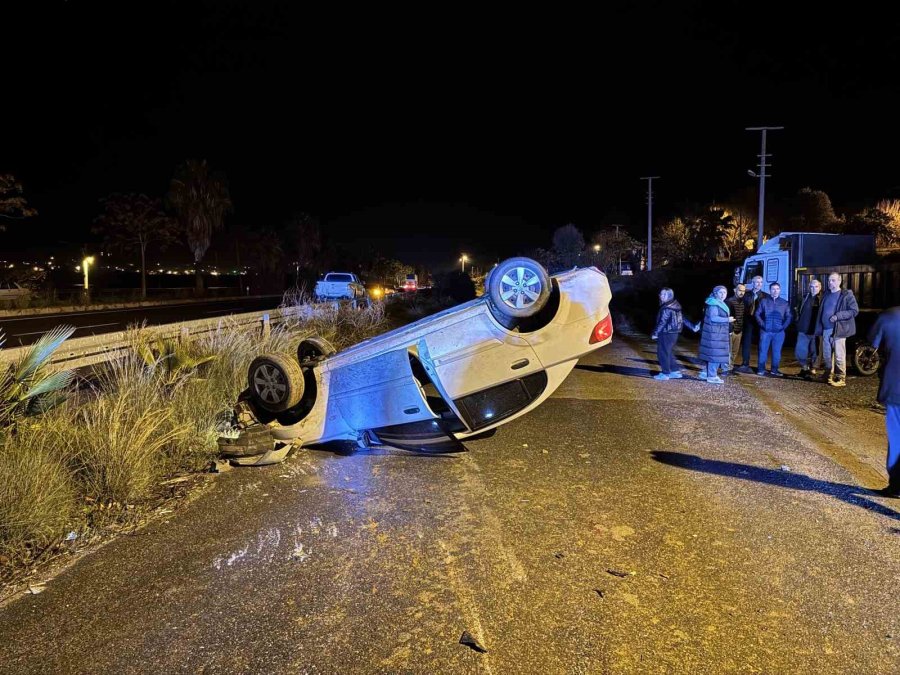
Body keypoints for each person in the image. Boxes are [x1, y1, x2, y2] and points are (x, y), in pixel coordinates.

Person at [868, 307, 900, 497]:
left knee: (897, 438)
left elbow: (873, 343)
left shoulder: (889, 317)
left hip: (896, 388)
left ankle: (897, 486)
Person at [814, 272, 859, 387]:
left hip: (839, 330)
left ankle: (840, 378)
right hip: (826, 330)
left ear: (839, 281)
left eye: (833, 280)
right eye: (829, 280)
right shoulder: (826, 295)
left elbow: (854, 311)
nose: (830, 282)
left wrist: (838, 316)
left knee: (839, 355)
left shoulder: (846, 295)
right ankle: (828, 374)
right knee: (827, 355)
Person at [650, 287, 698, 380]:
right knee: (668, 352)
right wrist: (692, 327)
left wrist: (655, 333)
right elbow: (682, 319)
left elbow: (662, 322)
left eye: (664, 294)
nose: (661, 296)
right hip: (673, 333)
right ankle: (675, 371)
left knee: (662, 353)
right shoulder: (675, 305)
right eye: (661, 294)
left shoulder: (667, 307)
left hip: (666, 332)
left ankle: (665, 373)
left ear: (670, 295)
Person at [698, 285, 734, 384]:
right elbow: (713, 318)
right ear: (715, 293)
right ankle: (712, 376)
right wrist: (727, 319)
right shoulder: (713, 304)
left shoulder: (718, 302)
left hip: (717, 333)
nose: (723, 295)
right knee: (715, 355)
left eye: (725, 293)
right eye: (720, 292)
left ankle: (706, 373)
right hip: (715, 334)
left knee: (713, 355)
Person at [754, 281, 792, 377]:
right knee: (763, 350)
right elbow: (757, 314)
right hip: (765, 331)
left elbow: (789, 316)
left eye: (777, 289)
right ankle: (761, 369)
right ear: (770, 290)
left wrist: (783, 327)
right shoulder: (764, 301)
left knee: (777, 352)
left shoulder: (784, 303)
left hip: (779, 332)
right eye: (773, 289)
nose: (775, 291)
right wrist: (763, 325)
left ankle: (774, 370)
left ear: (780, 290)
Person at [739, 275, 770, 372]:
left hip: (760, 323)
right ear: (753, 283)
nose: (759, 284)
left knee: (761, 344)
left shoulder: (766, 296)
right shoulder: (746, 295)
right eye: (757, 282)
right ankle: (745, 363)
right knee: (746, 343)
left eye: (761, 282)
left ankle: (761, 365)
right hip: (748, 322)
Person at [794, 278, 822, 378]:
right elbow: (797, 310)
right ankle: (804, 368)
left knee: (815, 351)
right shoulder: (804, 297)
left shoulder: (822, 299)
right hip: (803, 329)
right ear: (809, 287)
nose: (814, 289)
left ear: (820, 287)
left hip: (816, 330)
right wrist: (798, 321)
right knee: (801, 350)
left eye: (816, 286)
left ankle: (813, 369)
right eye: (812, 286)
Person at [725, 283, 746, 372]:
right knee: (728, 351)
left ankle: (730, 366)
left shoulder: (743, 302)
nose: (742, 292)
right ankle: (726, 367)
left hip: (739, 330)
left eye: (743, 291)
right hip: (731, 330)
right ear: (735, 290)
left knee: (735, 351)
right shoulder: (729, 301)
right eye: (740, 290)